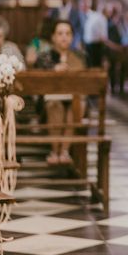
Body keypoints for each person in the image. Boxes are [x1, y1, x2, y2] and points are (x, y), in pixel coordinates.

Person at [35, 20, 86, 165]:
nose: (64, 37)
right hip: (50, 100)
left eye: (68, 34)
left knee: (77, 106)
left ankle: (64, 151)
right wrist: (53, 70)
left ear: (72, 37)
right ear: (53, 37)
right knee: (54, 104)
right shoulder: (44, 56)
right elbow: (39, 82)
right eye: (60, 33)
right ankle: (55, 150)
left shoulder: (80, 56)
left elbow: (86, 80)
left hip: (74, 97)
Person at [80, 0, 107, 67]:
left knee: (95, 66)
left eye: (85, 4)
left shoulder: (97, 17)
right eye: (82, 5)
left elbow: (103, 35)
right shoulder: (79, 16)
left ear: (89, 5)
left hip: (95, 46)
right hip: (84, 45)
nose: (83, 6)